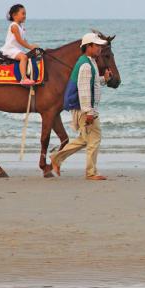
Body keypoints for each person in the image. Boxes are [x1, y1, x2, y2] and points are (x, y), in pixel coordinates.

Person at [50, 33, 112, 180]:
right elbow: (84, 91)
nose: (99, 49)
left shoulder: (90, 62)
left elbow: (93, 82)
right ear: (88, 47)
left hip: (85, 108)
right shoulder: (85, 65)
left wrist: (105, 79)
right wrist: (89, 112)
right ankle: (91, 172)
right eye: (96, 46)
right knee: (94, 138)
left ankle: (56, 158)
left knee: (85, 139)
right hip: (86, 109)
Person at [0, 4, 39, 86]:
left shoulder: (21, 26)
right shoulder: (14, 26)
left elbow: (24, 39)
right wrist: (30, 47)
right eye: (23, 14)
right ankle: (23, 79)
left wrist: (32, 46)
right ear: (14, 15)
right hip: (10, 49)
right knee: (23, 57)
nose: (25, 16)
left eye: (25, 14)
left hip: (17, 49)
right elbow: (20, 40)